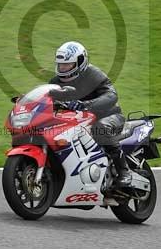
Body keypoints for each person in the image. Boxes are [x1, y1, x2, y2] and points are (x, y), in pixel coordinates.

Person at [49, 41, 131, 187]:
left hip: (108, 116)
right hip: (79, 121)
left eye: (67, 64)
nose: (63, 68)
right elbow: (47, 98)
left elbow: (111, 95)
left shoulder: (93, 74)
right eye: (61, 64)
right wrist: (28, 100)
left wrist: (85, 105)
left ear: (80, 62)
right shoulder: (56, 81)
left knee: (99, 128)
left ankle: (124, 171)